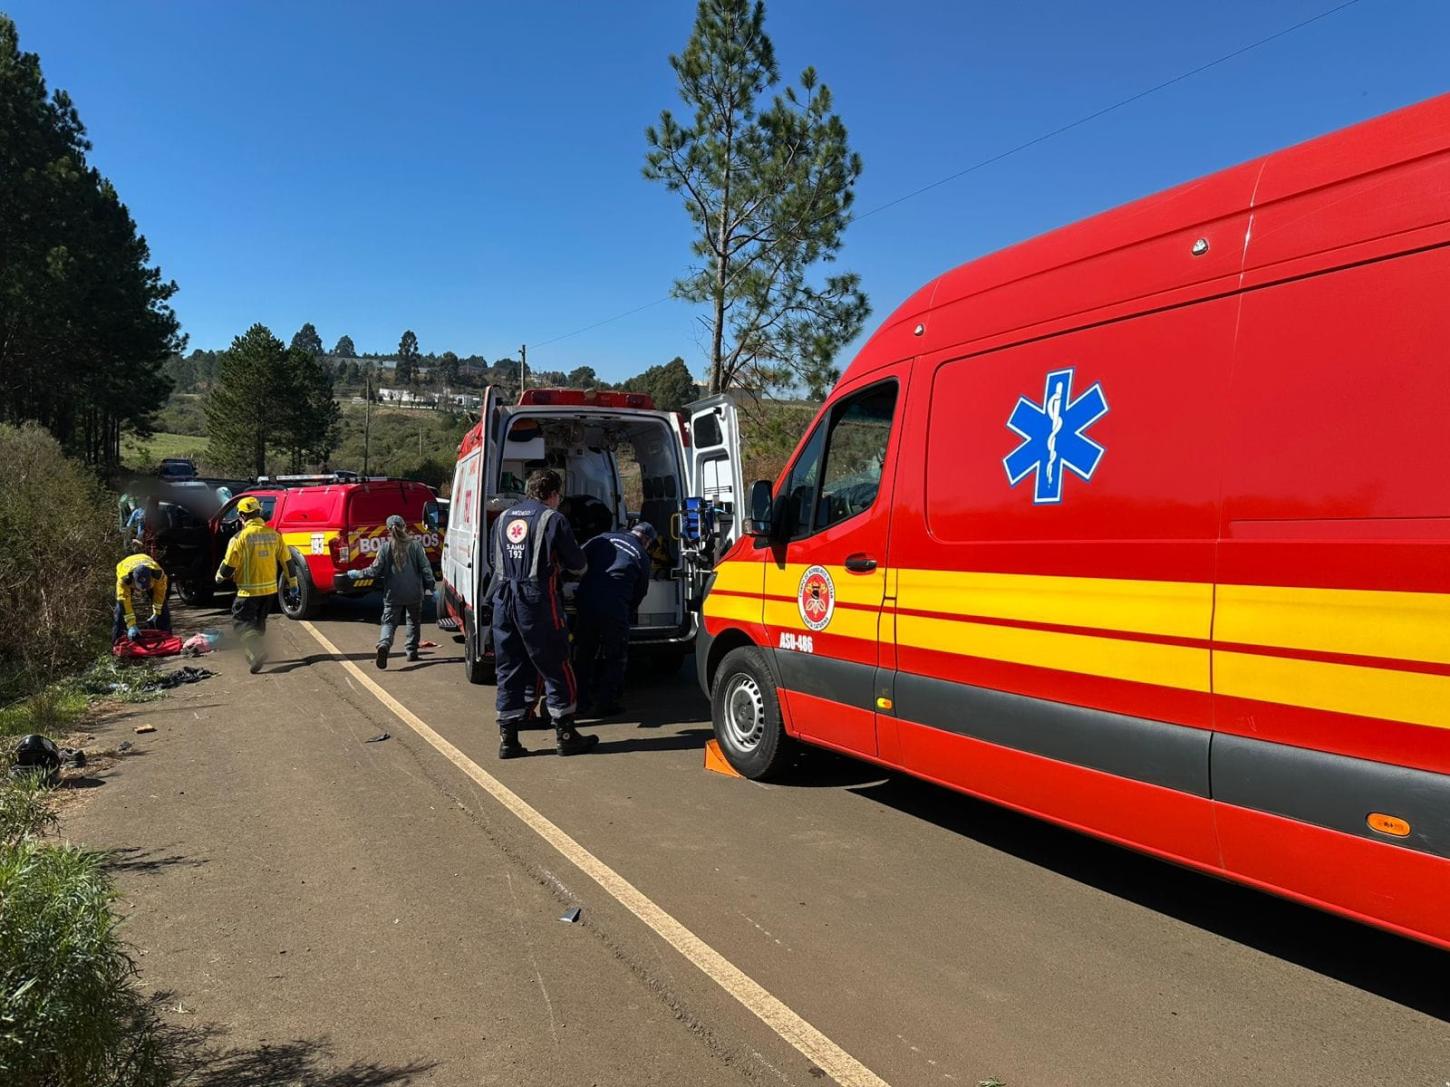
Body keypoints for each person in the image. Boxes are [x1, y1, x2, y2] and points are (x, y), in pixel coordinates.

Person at [488, 468, 597, 759]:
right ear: (553, 494)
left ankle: (508, 740)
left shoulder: (501, 520)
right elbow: (578, 564)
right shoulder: (553, 519)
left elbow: (494, 561)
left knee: (508, 667)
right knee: (556, 664)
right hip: (536, 601)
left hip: (502, 600)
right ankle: (565, 734)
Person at [574, 521, 656, 717]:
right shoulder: (641, 555)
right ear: (646, 540)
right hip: (615, 605)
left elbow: (577, 559)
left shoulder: (603, 537)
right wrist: (627, 610)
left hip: (588, 600)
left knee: (584, 653)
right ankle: (606, 702)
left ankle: (579, 701)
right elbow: (641, 590)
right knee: (615, 655)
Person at [215, 495, 296, 673]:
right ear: (259, 512)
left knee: (241, 623)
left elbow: (229, 565)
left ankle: (257, 650)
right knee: (258, 624)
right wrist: (293, 583)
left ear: (242, 516)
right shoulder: (274, 535)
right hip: (269, 592)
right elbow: (288, 561)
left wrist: (219, 577)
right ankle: (253, 652)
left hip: (248, 593)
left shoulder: (239, 537)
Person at [348, 514, 436, 669]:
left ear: (388, 530)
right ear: (404, 526)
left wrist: (357, 574)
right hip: (414, 593)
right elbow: (426, 568)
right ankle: (411, 651)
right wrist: (431, 587)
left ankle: (384, 645)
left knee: (389, 622)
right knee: (413, 621)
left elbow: (374, 570)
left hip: (392, 594)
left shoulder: (385, 548)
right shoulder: (415, 545)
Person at [113, 547, 171, 644]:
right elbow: (125, 602)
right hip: (126, 567)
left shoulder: (158, 575)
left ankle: (166, 636)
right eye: (141, 587)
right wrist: (131, 625)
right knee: (120, 610)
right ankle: (117, 641)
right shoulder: (124, 580)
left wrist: (157, 613)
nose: (143, 590)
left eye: (146, 587)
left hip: (146, 562)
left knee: (163, 607)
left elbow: (159, 595)